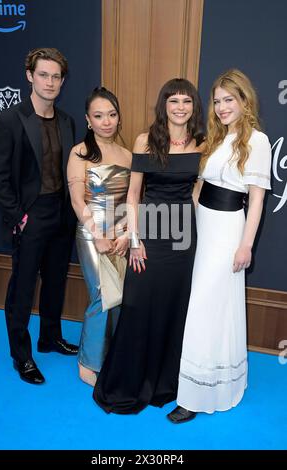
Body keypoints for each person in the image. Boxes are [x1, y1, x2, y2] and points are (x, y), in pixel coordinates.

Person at [93, 78, 205, 413]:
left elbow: (198, 193)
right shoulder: (145, 140)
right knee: (139, 305)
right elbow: (133, 194)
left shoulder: (202, 143)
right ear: (164, 105)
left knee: (175, 307)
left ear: (193, 107)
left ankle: (165, 382)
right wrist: (136, 240)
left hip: (184, 236)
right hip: (150, 232)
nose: (180, 107)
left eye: (186, 101)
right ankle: (130, 380)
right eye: (173, 101)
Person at [167, 69, 272, 423]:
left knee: (205, 308)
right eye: (217, 101)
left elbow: (255, 201)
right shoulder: (216, 139)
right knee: (207, 306)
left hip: (229, 232)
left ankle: (196, 396)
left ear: (244, 101)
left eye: (229, 99)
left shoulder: (257, 140)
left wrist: (246, 246)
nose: (222, 107)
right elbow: (200, 187)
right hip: (205, 229)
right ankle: (202, 382)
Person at [0, 48, 78, 385]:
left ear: (62, 81)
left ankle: (50, 338)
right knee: (23, 287)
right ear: (30, 76)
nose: (50, 82)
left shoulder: (68, 121)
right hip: (30, 215)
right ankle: (21, 356)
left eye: (56, 76)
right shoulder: (9, 120)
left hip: (61, 212)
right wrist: (18, 216)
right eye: (43, 75)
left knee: (55, 280)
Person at [67, 87, 131, 387]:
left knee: (119, 296)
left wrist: (125, 233)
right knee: (102, 295)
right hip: (91, 231)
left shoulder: (128, 155)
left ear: (119, 117)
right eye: (99, 116)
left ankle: (112, 354)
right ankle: (88, 361)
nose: (106, 121)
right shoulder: (80, 152)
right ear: (88, 120)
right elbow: (78, 201)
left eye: (112, 114)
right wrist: (98, 234)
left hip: (119, 234)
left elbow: (134, 200)